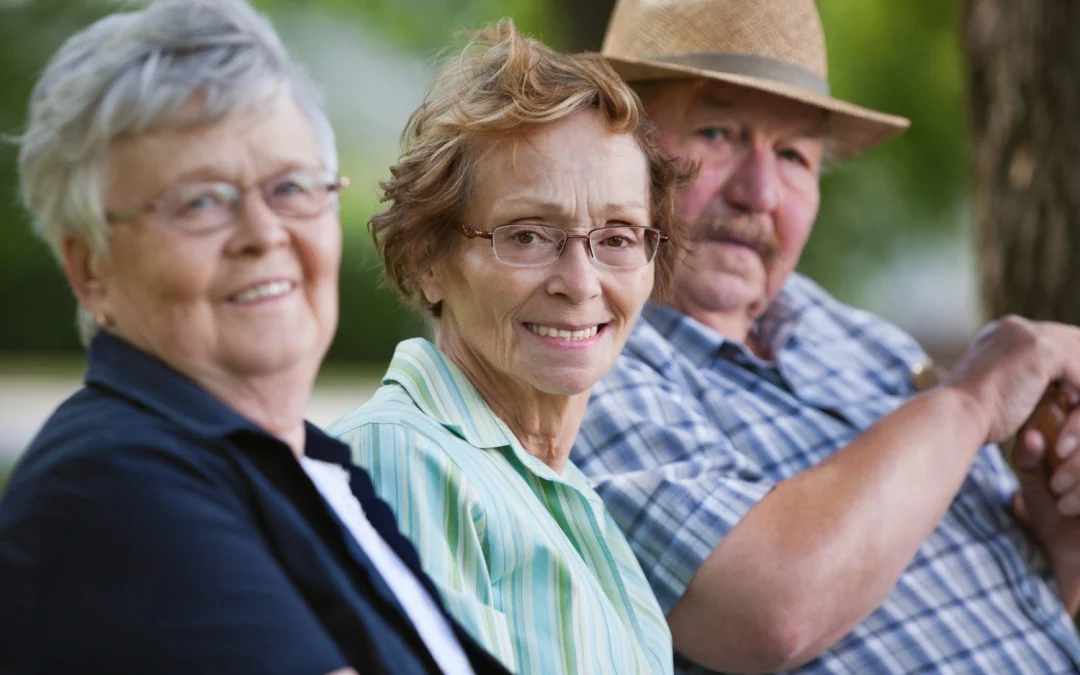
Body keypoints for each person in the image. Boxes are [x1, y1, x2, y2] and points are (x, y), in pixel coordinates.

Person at [0, 2, 512, 673]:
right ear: (89, 267)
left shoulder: (311, 468)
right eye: (200, 201)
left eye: (290, 187)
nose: (264, 234)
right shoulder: (113, 484)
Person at [573, 0, 1080, 673]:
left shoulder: (862, 339)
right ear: (612, 152)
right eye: (717, 133)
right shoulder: (582, 356)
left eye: (793, 155)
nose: (761, 193)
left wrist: (1059, 545)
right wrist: (972, 401)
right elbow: (769, 613)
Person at [329, 20, 690, 675]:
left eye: (617, 236)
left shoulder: (561, 489)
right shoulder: (402, 460)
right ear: (427, 259)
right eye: (527, 235)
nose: (580, 283)